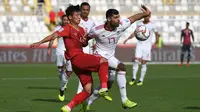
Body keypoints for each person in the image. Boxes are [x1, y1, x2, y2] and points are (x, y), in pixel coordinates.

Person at [30, 5, 111, 112]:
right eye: (76, 15)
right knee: (103, 61)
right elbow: (54, 35)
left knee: (88, 90)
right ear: (70, 17)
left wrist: (85, 40)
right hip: (77, 58)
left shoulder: (82, 30)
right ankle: (104, 88)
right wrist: (40, 42)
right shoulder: (67, 28)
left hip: (78, 63)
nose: (79, 17)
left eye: (79, 15)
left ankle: (68, 107)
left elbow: (84, 44)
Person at [82, 5, 151, 111]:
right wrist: (84, 43)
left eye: (119, 17)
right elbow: (86, 38)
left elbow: (133, 18)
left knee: (108, 85)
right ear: (109, 19)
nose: (119, 19)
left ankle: (88, 102)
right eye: (116, 17)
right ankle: (124, 101)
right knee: (122, 67)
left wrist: (144, 14)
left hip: (110, 56)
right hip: (99, 56)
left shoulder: (121, 25)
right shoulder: (97, 30)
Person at [123, 12, 159, 86]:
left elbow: (157, 34)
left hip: (147, 46)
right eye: (145, 16)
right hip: (139, 45)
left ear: (150, 17)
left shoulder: (152, 25)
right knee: (136, 61)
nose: (146, 18)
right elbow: (135, 32)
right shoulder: (139, 23)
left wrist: (156, 43)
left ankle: (140, 80)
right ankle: (133, 78)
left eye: (148, 16)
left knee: (143, 62)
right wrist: (128, 39)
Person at [47, 15, 72, 102]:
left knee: (69, 70)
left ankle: (63, 85)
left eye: (67, 20)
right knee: (60, 70)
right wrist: (49, 49)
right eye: (64, 20)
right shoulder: (58, 29)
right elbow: (52, 39)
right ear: (62, 20)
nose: (65, 21)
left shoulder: (71, 28)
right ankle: (63, 82)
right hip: (59, 51)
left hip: (68, 52)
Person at [76, 2, 96, 94]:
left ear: (89, 11)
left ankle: (80, 91)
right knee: (68, 70)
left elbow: (95, 34)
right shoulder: (77, 20)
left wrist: (94, 42)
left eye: (87, 10)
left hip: (86, 48)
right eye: (83, 9)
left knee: (84, 70)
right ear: (80, 10)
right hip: (75, 47)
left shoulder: (92, 22)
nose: (85, 11)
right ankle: (63, 85)